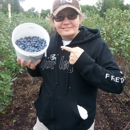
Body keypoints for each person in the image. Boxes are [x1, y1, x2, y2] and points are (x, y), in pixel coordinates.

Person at [17, 0, 126, 129]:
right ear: (53, 22)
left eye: (72, 16)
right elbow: (44, 72)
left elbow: (118, 83)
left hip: (78, 124)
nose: (66, 21)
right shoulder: (47, 44)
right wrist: (33, 68)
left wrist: (85, 63)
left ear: (80, 18)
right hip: (45, 121)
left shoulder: (97, 45)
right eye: (60, 17)